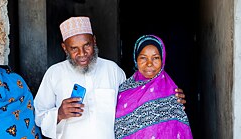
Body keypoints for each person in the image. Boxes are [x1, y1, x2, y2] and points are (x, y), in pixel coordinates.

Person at [34, 17, 186, 139]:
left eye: (87, 45)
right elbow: (39, 116)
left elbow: (136, 101)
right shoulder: (54, 74)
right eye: (74, 48)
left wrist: (169, 97)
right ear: (64, 48)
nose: (82, 53)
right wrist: (59, 114)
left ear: (94, 41)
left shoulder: (113, 70)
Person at [114, 35, 193, 139]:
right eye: (143, 58)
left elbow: (176, 129)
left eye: (155, 58)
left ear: (162, 60)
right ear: (135, 59)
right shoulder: (123, 91)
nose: (149, 64)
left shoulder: (172, 92)